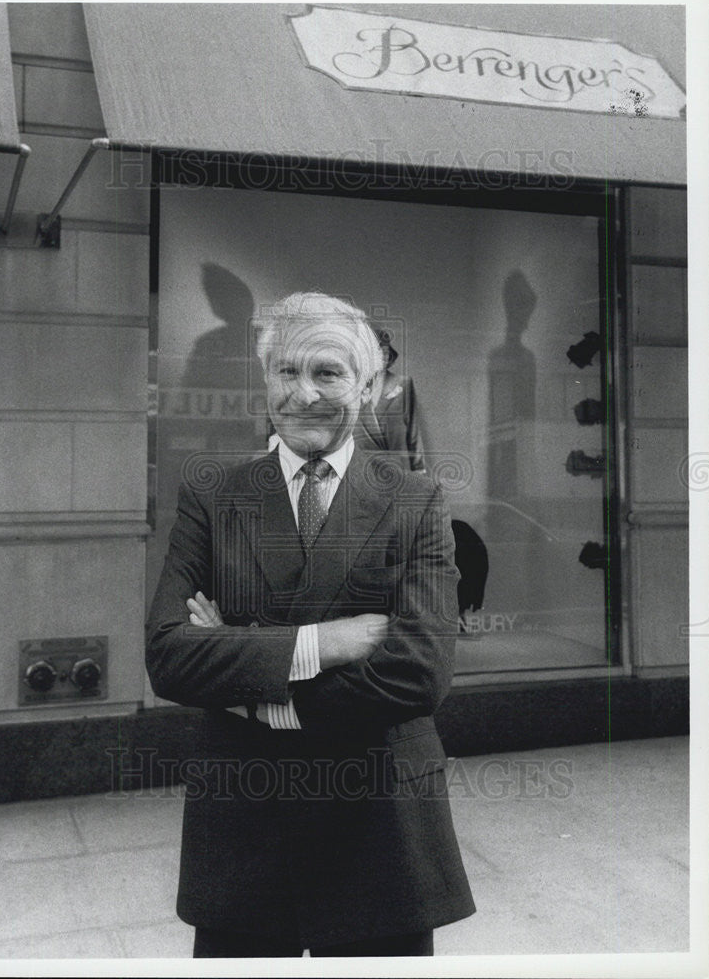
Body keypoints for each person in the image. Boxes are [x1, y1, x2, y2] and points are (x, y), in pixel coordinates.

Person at [146, 292, 475, 957]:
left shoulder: (417, 499)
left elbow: (418, 675)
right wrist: (322, 643)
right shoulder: (212, 494)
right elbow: (170, 656)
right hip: (244, 837)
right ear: (265, 379)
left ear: (368, 387)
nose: (303, 394)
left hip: (380, 837)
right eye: (286, 372)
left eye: (328, 373)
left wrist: (254, 684)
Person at [354, 326, 426, 472]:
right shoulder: (355, 387)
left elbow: (413, 430)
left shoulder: (403, 383)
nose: (384, 356)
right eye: (379, 352)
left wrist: (418, 469)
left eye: (386, 352)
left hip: (398, 467)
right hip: (365, 469)